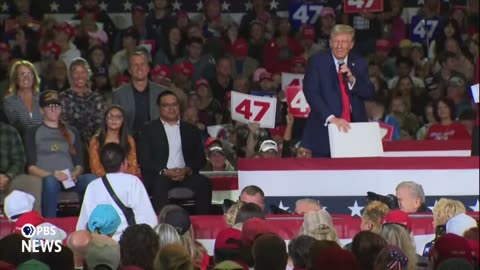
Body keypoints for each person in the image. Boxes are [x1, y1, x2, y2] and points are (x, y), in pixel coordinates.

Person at [301, 24, 375, 157]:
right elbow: (311, 92)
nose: (339, 46)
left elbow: (369, 93)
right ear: (330, 42)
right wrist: (332, 118)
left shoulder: (359, 62)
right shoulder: (317, 62)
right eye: (336, 41)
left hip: (355, 132)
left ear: (351, 44)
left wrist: (353, 80)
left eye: (344, 42)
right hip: (324, 132)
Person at [138, 90, 212, 214]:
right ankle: (159, 226)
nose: (171, 108)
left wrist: (187, 170)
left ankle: (202, 222)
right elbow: (144, 160)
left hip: (186, 174)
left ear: (179, 107)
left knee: (204, 183)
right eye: (166, 105)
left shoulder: (191, 130)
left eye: (174, 104)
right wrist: (164, 171)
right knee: (159, 184)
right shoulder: (148, 130)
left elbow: (200, 159)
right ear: (159, 108)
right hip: (161, 175)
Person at [25, 90, 96, 218]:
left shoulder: (71, 131)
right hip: (48, 179)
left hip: (70, 179)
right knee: (51, 182)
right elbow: (31, 168)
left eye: (57, 106)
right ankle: (50, 224)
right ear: (42, 110)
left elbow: (79, 164)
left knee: (91, 179)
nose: (54, 109)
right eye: (49, 106)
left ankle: (90, 223)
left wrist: (74, 173)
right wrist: (53, 174)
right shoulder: (33, 132)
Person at [77, 143, 157, 241]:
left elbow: (84, 224)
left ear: (102, 165)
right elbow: (148, 218)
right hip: (129, 244)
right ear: (124, 162)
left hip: (101, 244)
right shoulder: (133, 182)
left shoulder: (93, 186)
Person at [112, 48, 166, 136]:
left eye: (142, 64)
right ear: (129, 70)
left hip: (155, 139)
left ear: (148, 68)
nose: (139, 68)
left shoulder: (162, 92)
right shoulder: (118, 94)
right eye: (135, 65)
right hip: (128, 142)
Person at [59, 58, 105, 144]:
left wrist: (94, 144)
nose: (80, 76)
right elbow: (62, 124)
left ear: (88, 75)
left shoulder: (96, 98)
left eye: (83, 72)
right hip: (69, 144)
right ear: (71, 75)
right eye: (76, 73)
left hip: (92, 144)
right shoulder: (63, 97)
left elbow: (100, 124)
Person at [0, 121, 42, 213]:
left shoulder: (9, 131)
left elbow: (19, 160)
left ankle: (33, 223)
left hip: (8, 177)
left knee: (33, 182)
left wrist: (8, 177)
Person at [89, 105, 140, 177]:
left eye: (118, 117)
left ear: (123, 120)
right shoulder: (95, 140)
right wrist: (112, 179)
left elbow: (133, 166)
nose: (114, 119)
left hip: (126, 179)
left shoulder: (129, 140)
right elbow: (95, 168)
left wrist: (121, 179)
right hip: (103, 180)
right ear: (105, 119)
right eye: (110, 116)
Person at [3, 60, 43, 134]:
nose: (26, 77)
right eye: (22, 74)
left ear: (34, 77)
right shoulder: (9, 101)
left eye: (29, 74)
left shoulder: (44, 98)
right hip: (23, 141)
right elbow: (17, 125)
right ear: (16, 78)